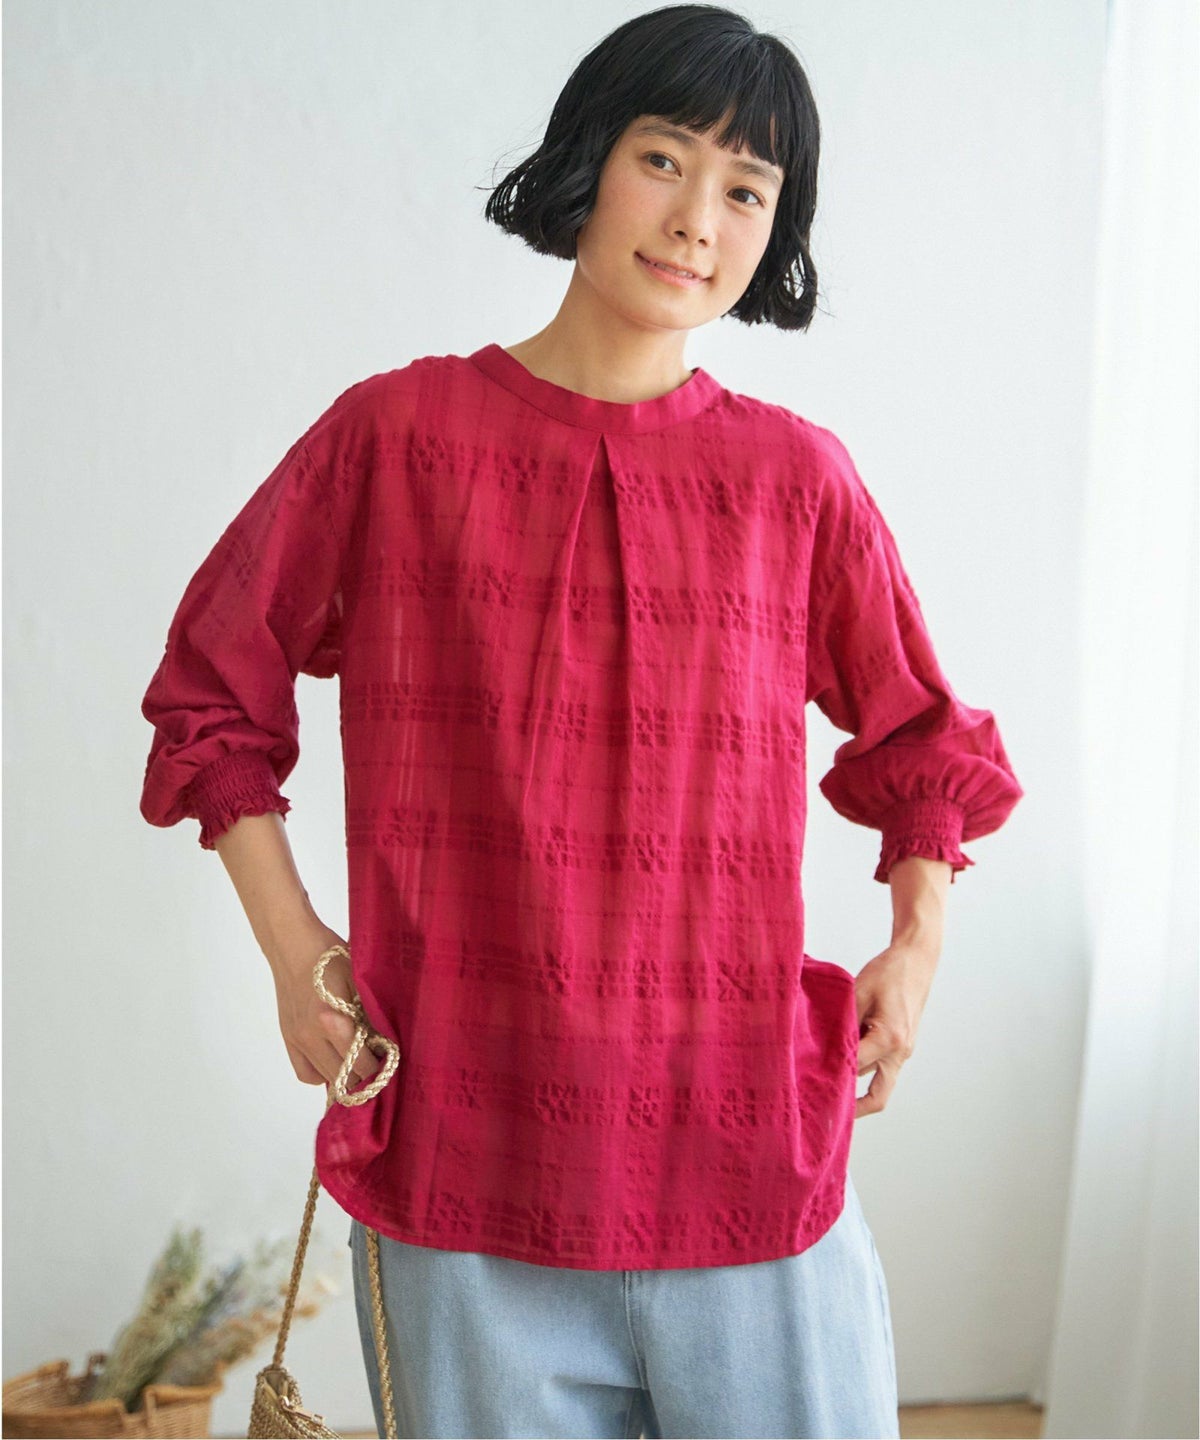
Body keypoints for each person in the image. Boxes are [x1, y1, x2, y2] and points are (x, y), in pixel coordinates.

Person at [139, 5, 1024, 1437]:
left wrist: (917, 945)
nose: (698, 221)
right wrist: (298, 956)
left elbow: (924, 738)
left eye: (747, 189)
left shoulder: (796, 481)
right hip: (463, 1158)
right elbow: (210, 686)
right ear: (588, 162)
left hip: (747, 1160)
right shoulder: (396, 438)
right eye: (664, 159)